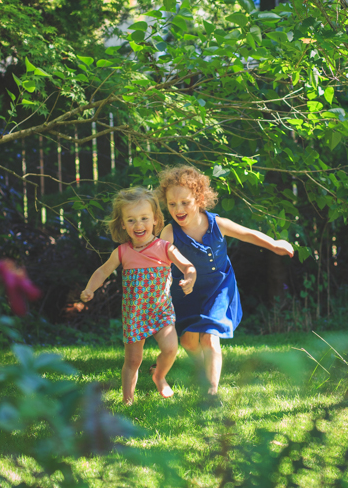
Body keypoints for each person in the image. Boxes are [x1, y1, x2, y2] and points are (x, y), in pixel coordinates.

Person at [156, 166, 294, 394]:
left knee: (210, 338)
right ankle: (202, 370)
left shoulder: (216, 224)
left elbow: (247, 233)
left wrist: (274, 244)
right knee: (189, 342)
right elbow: (160, 266)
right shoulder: (170, 233)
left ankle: (211, 391)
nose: (178, 209)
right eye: (172, 204)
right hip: (186, 291)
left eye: (185, 202)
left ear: (199, 199)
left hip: (218, 288)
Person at [81, 187, 197, 405]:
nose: (139, 224)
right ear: (122, 223)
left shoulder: (165, 248)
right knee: (133, 360)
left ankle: (159, 376)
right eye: (131, 220)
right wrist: (90, 289)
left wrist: (190, 278)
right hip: (135, 314)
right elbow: (102, 271)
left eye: (144, 218)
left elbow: (188, 266)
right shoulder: (122, 252)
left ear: (155, 219)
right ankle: (128, 401)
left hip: (161, 311)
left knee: (171, 348)